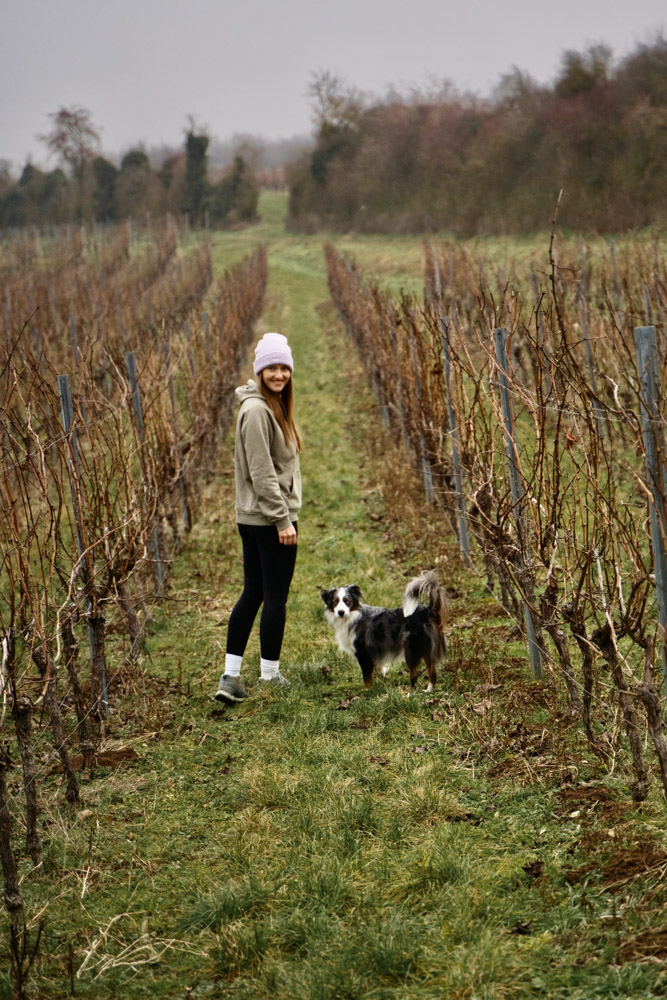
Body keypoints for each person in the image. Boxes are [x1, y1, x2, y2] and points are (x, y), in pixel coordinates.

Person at [214, 332, 302, 702]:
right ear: (260, 370)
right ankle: (268, 675)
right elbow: (261, 473)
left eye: (284, 367)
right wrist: (282, 520)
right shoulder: (256, 411)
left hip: (256, 518)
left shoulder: (271, 406)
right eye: (272, 367)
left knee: (254, 592)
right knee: (273, 596)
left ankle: (231, 678)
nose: (279, 374)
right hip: (268, 520)